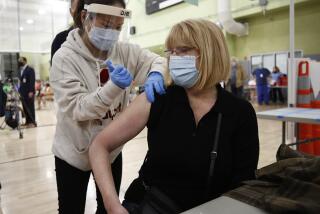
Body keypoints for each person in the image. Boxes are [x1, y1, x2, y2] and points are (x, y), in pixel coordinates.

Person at [89, 19, 260, 213]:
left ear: (210, 53)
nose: (174, 58)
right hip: (149, 204)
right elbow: (99, 146)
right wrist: (112, 205)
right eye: (171, 52)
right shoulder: (157, 99)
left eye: (184, 50)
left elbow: (244, 186)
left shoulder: (239, 112)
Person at [50, 0, 167, 213]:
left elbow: (158, 61)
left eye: (118, 27)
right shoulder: (64, 58)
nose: (111, 33)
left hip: (111, 150)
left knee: (107, 207)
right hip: (73, 154)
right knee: (70, 209)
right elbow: (78, 108)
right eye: (105, 25)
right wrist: (113, 87)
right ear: (86, 17)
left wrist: (156, 73)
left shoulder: (123, 52)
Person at [18, 57, 37, 128]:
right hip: (23, 93)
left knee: (30, 107)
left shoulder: (30, 69)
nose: (19, 62)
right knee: (25, 108)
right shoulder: (22, 70)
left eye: (20, 60)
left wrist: (31, 91)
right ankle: (27, 122)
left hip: (29, 92)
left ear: (25, 61)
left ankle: (32, 122)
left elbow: (32, 81)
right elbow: (22, 82)